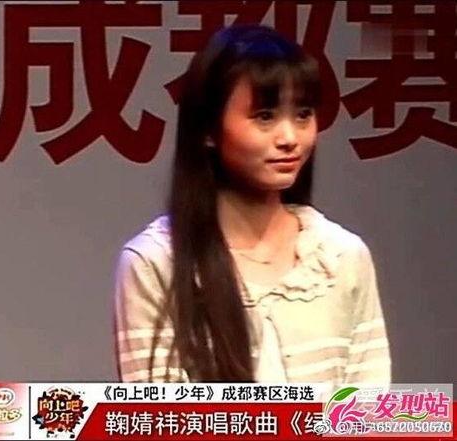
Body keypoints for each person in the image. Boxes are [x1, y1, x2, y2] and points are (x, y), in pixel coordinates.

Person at [114, 24, 391, 387]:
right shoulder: (156, 262)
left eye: (303, 115)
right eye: (265, 117)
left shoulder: (341, 256)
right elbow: (157, 409)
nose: (290, 138)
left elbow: (369, 405)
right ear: (209, 130)